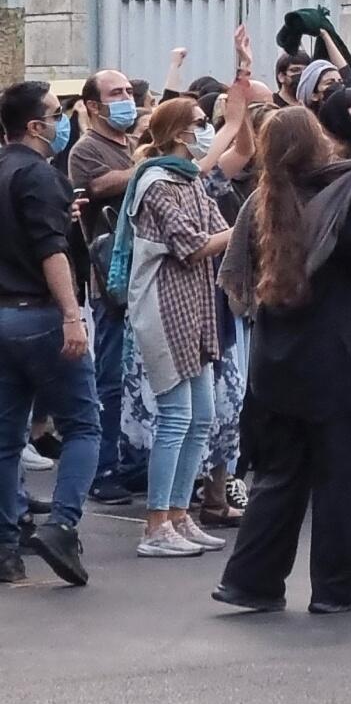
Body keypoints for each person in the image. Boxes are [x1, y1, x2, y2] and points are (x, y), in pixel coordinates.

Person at [214, 109, 351, 614]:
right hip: (338, 363)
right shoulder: (341, 202)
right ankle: (337, 589)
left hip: (275, 363)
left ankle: (250, 581)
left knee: (278, 478)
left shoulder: (259, 204)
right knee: (343, 481)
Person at [117, 98, 233, 559]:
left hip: (195, 307)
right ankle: (155, 524)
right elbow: (194, 244)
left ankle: (180, 513)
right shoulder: (156, 183)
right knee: (176, 417)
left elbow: (217, 229)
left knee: (202, 416)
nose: (206, 130)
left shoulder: (189, 180)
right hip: (163, 307)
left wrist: (239, 228)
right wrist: (248, 222)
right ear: (180, 133)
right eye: (200, 124)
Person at [0, 81, 98, 587]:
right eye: (57, 115)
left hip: (4, 315)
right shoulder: (38, 174)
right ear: (36, 126)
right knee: (83, 425)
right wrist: (71, 315)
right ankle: (62, 525)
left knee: (5, 437)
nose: (63, 123)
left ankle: (5, 545)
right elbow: (50, 250)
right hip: (39, 313)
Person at [68, 66, 142, 505]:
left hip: (141, 280)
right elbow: (97, 186)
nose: (127, 98)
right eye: (117, 93)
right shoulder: (87, 149)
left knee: (136, 379)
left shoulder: (131, 145)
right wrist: (149, 165)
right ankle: (104, 469)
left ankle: (131, 462)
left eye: (129, 90)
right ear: (93, 106)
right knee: (110, 379)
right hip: (109, 282)